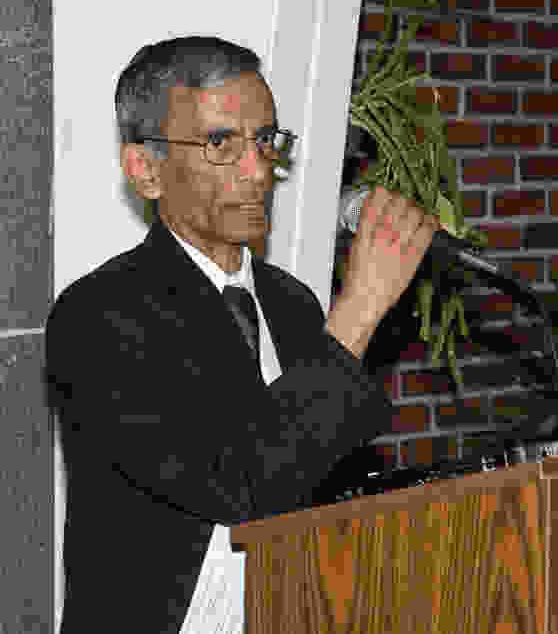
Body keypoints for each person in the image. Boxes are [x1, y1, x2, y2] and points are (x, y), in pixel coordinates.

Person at [45, 36, 440, 633]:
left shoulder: (292, 304)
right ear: (146, 170)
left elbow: (328, 483)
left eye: (264, 140)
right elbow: (237, 483)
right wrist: (358, 311)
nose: (258, 171)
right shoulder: (98, 316)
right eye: (220, 144)